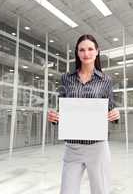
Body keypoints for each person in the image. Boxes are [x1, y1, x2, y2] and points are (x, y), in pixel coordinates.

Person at [48, 34, 120, 194]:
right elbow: (61, 108)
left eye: (90, 49)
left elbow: (111, 108)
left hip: (98, 148)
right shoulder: (66, 78)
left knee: (100, 191)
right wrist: (54, 118)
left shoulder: (105, 80)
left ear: (97, 52)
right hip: (72, 147)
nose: (86, 53)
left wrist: (115, 114)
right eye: (82, 50)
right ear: (77, 52)